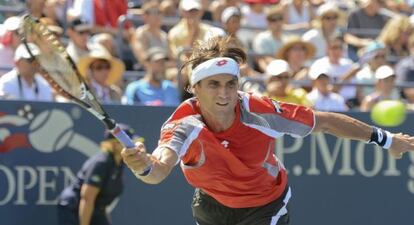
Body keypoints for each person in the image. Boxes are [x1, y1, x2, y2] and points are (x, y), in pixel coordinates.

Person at [121, 37, 414, 225]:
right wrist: (143, 166)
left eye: (230, 83)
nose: (224, 93)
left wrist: (387, 140)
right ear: (194, 88)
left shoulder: (259, 110)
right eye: (214, 84)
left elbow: (323, 121)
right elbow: (159, 170)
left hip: (265, 204)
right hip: (211, 204)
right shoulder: (183, 123)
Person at [57, 125, 141, 225]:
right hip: (74, 209)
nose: (134, 146)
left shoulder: (119, 164)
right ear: (115, 144)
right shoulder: (101, 163)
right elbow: (87, 198)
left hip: (95, 209)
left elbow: (100, 201)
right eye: (129, 142)